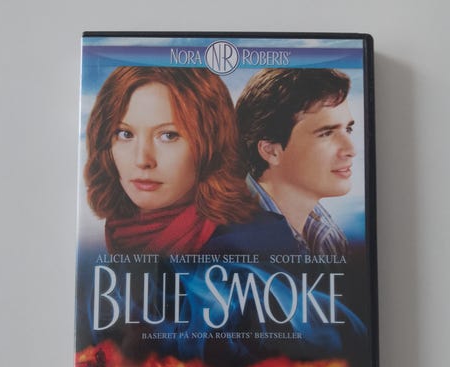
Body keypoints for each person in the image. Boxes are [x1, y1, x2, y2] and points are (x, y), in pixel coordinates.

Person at [84, 67, 297, 255]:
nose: (142, 160)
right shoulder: (117, 233)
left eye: (168, 135)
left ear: (212, 143)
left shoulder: (260, 239)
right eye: (125, 134)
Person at [236, 69, 357, 256]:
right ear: (271, 151)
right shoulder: (235, 242)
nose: (351, 150)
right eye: (326, 133)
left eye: (348, 129)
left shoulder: (325, 232)